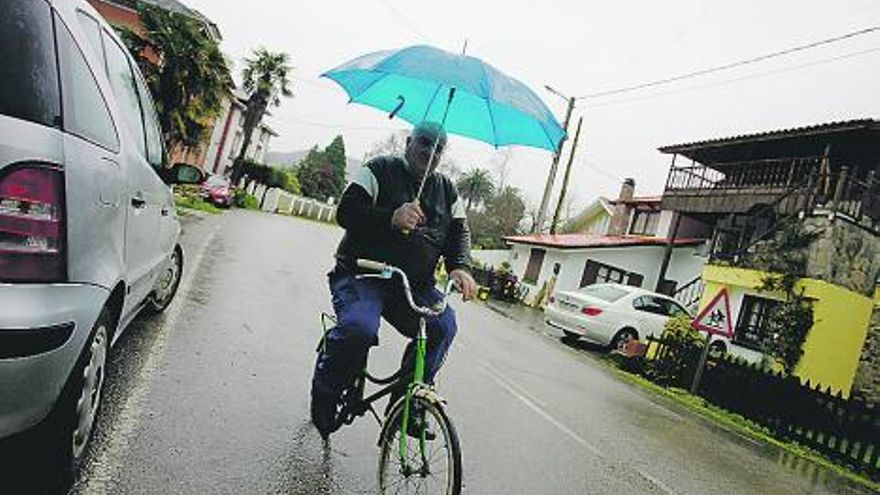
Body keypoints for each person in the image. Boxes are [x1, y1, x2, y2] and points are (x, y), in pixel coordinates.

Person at [310, 121, 478, 439]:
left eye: (438, 148)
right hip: (363, 275)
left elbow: (459, 233)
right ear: (408, 143)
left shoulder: (447, 190)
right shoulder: (378, 170)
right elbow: (346, 211)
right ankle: (326, 390)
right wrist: (391, 216)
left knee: (443, 325)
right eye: (424, 143)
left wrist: (460, 266)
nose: (430, 152)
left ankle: (406, 405)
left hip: (412, 286)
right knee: (359, 328)